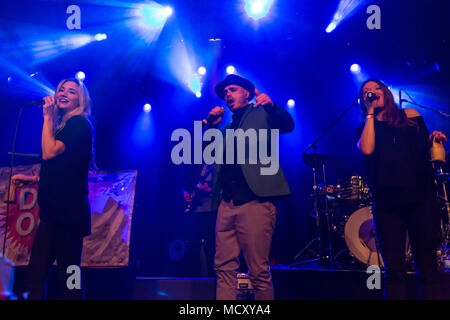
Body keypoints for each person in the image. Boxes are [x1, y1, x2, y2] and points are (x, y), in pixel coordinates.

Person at [356, 78, 447, 299]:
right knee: (394, 270)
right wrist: (370, 113)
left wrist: (434, 138)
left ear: (385, 92)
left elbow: (425, 148)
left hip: (421, 198)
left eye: (374, 88)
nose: (370, 92)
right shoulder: (365, 127)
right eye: (365, 91)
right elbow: (366, 150)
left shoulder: (410, 116)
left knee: (427, 265)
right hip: (387, 203)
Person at [209, 74, 294, 300]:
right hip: (226, 203)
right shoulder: (225, 129)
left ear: (247, 93)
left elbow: (287, 125)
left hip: (255, 201)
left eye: (233, 90)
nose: (228, 94)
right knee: (223, 269)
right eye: (225, 93)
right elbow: (208, 156)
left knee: (258, 270)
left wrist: (272, 106)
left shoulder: (261, 113)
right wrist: (210, 127)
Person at [12, 78, 94, 299]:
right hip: (55, 213)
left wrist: (47, 117)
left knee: (69, 276)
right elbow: (62, 172)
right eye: (61, 90)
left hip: (69, 215)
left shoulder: (78, 123)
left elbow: (49, 153)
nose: (63, 93)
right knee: (37, 274)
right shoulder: (64, 127)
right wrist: (32, 180)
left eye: (71, 91)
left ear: (81, 100)